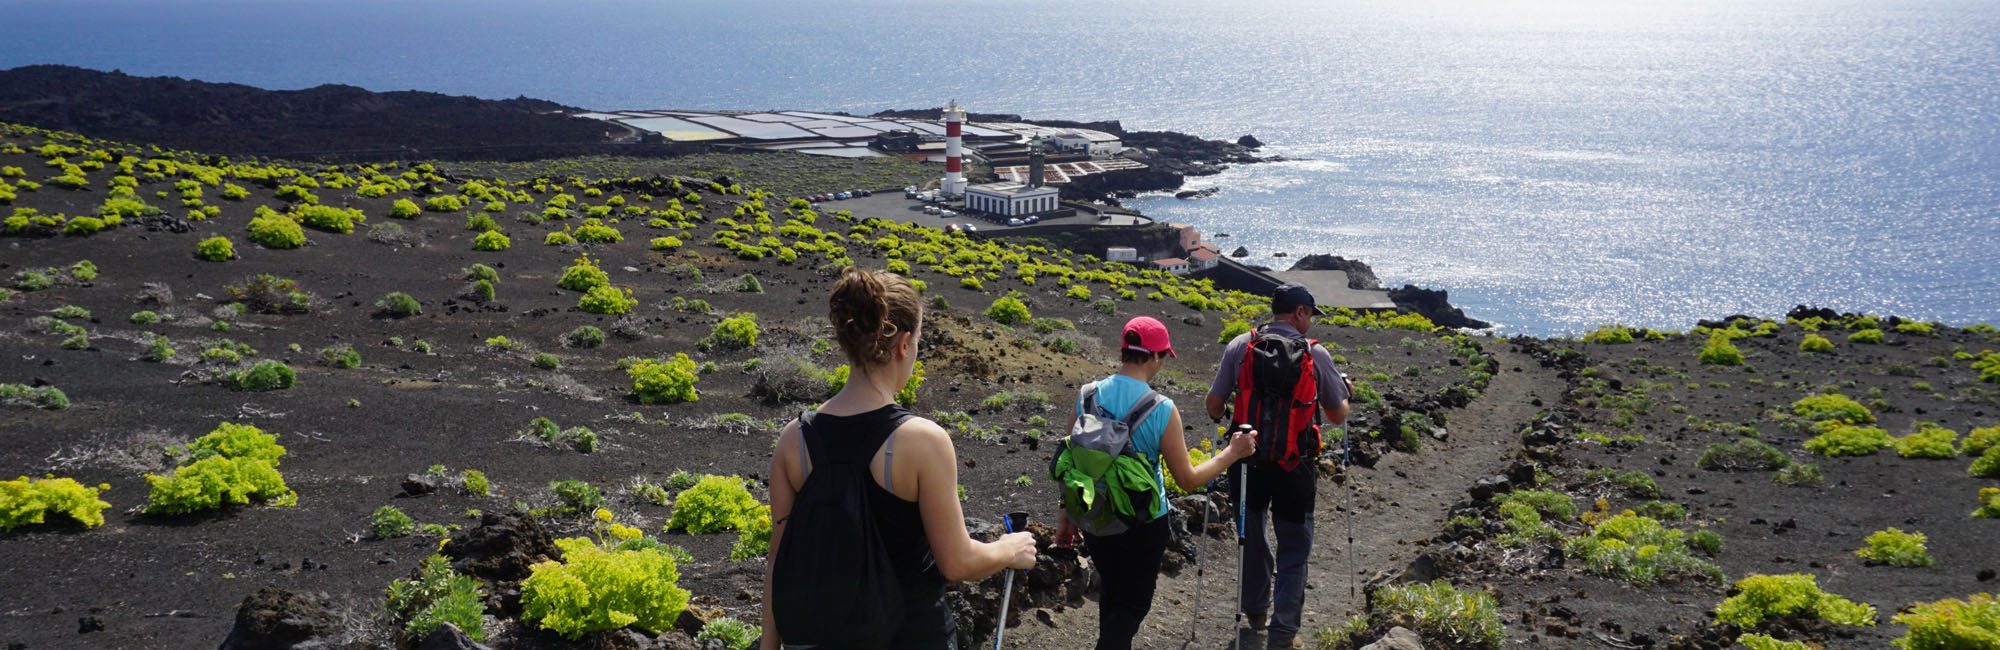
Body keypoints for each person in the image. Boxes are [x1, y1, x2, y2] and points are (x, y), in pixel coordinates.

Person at [763, 267, 1038, 650]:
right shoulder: (923, 441)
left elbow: (779, 560)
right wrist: (1011, 548)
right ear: (904, 343)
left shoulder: (793, 441)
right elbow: (956, 562)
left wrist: (768, 646)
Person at [1054, 316, 1258, 650]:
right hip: (1142, 522)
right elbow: (1187, 479)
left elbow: (1070, 464)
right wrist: (1232, 453)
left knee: (1113, 596)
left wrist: (1066, 513)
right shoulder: (1161, 409)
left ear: (1124, 351)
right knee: (1133, 604)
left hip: (1095, 516)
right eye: (1163, 356)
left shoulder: (1086, 396)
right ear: (1154, 357)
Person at [1204, 283, 1351, 650]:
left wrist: (1229, 412)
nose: (1310, 323)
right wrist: (1347, 394)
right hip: (1294, 467)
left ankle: (1254, 612)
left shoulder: (1240, 346)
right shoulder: (1316, 355)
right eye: (1310, 315)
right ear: (1300, 312)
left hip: (1246, 460)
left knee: (1251, 539)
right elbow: (1335, 415)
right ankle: (1283, 632)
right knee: (1294, 550)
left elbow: (1213, 405)